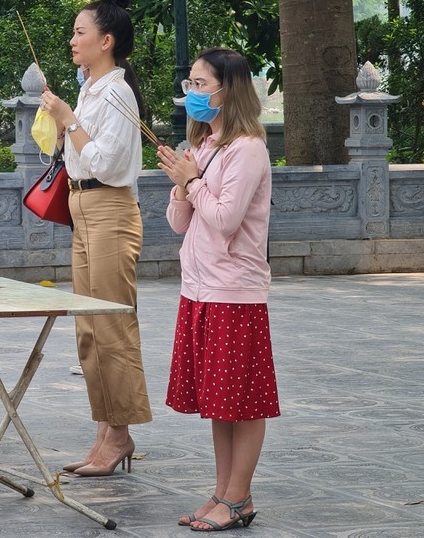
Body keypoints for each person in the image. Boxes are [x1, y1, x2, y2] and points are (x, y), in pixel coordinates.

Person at [156, 47, 280, 531]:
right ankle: (223, 490)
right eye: (189, 84)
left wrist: (196, 180)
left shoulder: (248, 149)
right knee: (218, 400)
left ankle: (239, 497)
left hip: (236, 290)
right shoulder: (205, 147)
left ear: (229, 91)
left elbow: (227, 220)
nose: (192, 94)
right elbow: (178, 223)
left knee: (243, 400)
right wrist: (180, 183)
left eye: (200, 85)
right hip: (200, 289)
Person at [40, 0, 152, 477]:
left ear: (105, 40)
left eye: (79, 32)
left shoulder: (118, 92)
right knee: (87, 328)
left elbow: (107, 162)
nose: (72, 40)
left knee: (111, 325)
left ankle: (121, 433)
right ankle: (104, 431)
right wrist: (61, 124)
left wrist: (69, 120)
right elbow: (79, 155)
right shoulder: (89, 89)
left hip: (109, 208)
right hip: (82, 207)